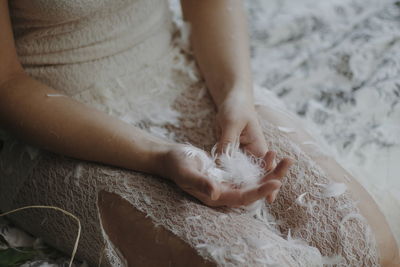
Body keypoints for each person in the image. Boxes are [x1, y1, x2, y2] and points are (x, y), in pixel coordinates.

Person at [0, 0, 398, 266]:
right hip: (55, 125)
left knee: (369, 247)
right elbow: (6, 85)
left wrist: (235, 96)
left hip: (180, 70)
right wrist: (158, 156)